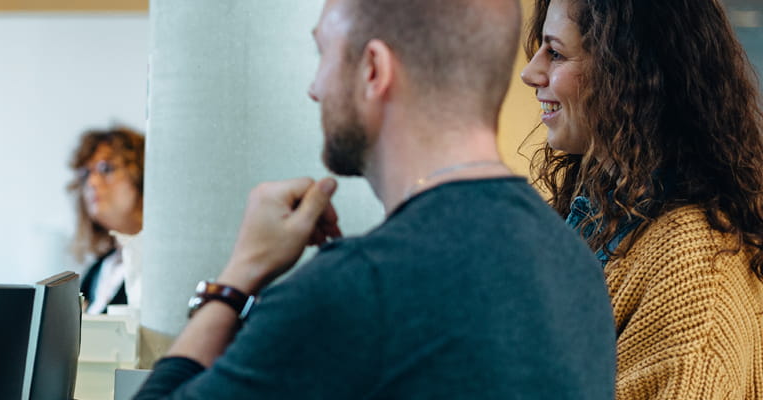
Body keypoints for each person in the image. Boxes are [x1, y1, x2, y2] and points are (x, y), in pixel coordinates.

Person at [133, 0, 615, 398]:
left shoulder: (356, 290)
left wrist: (236, 279)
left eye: (324, 54)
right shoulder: (575, 261)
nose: (314, 87)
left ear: (373, 70)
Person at [520, 0, 763, 397]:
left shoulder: (695, 268)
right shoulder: (602, 214)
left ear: (629, 73)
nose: (531, 73)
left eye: (556, 53)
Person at [67, 126, 148, 314]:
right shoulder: (96, 271)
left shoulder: (160, 266)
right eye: (86, 174)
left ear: (142, 176)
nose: (92, 182)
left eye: (106, 168)